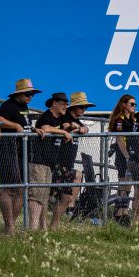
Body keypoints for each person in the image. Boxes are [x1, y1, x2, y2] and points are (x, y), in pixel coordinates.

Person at [0, 78, 41, 234]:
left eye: (32, 94)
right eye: (27, 94)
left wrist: (33, 129)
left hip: (23, 150)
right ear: (19, 93)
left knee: (22, 188)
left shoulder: (24, 106)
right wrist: (14, 126)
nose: (30, 97)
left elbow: (24, 123)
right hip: (8, 147)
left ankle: (11, 226)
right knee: (9, 188)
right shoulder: (7, 105)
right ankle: (9, 226)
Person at [49, 92, 92, 230]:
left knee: (66, 197)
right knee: (46, 197)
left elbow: (85, 128)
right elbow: (67, 126)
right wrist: (76, 128)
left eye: (85, 108)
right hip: (57, 164)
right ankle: (39, 225)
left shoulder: (76, 120)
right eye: (82, 107)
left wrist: (80, 128)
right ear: (74, 107)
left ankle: (54, 225)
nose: (84, 110)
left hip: (67, 165)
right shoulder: (65, 116)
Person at [31, 92, 72, 230]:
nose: (66, 106)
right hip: (39, 160)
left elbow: (70, 125)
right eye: (63, 104)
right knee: (37, 196)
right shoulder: (46, 116)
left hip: (49, 162)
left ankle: (42, 227)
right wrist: (63, 133)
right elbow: (45, 128)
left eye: (67, 104)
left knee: (44, 197)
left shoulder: (60, 118)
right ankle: (32, 228)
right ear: (54, 103)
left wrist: (71, 129)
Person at [107, 94, 137, 224]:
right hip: (123, 155)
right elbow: (119, 138)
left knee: (128, 185)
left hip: (132, 154)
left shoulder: (133, 119)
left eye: (135, 104)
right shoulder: (120, 119)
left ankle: (124, 211)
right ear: (124, 104)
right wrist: (126, 156)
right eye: (132, 104)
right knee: (123, 184)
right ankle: (119, 212)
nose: (134, 107)